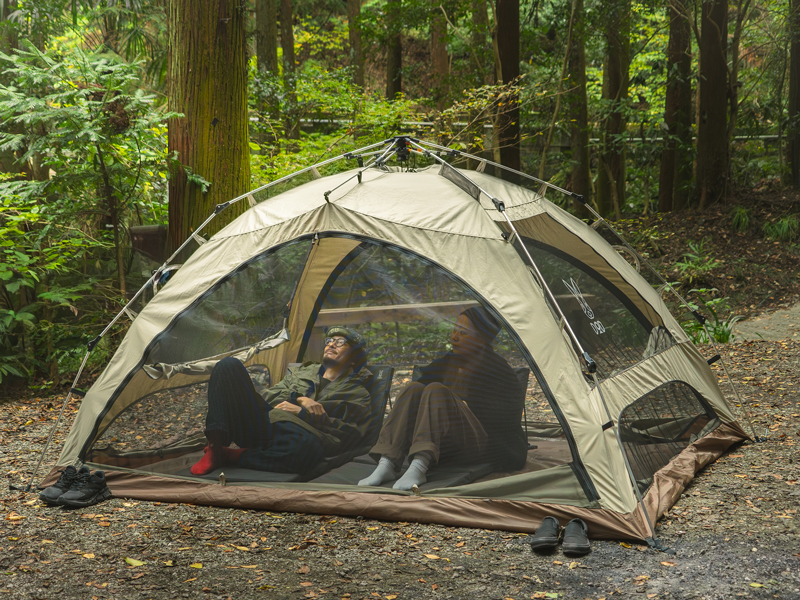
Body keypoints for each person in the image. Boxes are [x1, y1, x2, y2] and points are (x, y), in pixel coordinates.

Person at [358, 306, 527, 490]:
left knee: (437, 391)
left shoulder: (499, 371)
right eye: (454, 330)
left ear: (482, 339)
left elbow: (507, 421)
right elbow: (418, 396)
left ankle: (419, 465)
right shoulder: (448, 361)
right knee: (413, 388)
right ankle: (387, 463)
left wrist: (463, 406)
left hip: (484, 447)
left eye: (463, 333)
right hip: (446, 444)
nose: (454, 337)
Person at [190, 326, 372, 476]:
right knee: (227, 365)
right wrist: (300, 399)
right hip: (266, 424)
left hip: (300, 437)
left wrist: (304, 415)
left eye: (340, 342)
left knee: (309, 451)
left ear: (354, 358)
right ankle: (215, 446)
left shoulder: (357, 392)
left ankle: (233, 456)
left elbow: (352, 435)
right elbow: (267, 397)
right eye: (329, 341)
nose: (332, 344)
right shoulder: (301, 373)